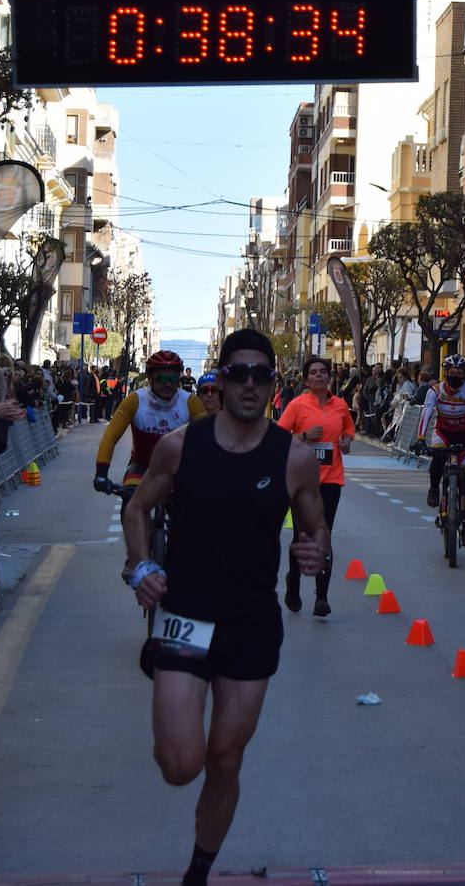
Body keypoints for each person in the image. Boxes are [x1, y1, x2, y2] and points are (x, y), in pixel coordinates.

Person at [121, 328, 328, 886]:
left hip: (251, 623)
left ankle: (199, 869)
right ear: (222, 375)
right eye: (239, 372)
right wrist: (141, 566)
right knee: (179, 766)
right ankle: (169, 699)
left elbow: (316, 528)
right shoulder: (182, 445)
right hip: (186, 612)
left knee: (226, 760)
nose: (250, 384)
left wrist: (313, 551)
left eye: (262, 375)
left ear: (273, 384)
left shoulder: (296, 458)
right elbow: (138, 509)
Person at [275, 357, 355, 617]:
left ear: (329, 377)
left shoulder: (340, 406)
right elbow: (277, 438)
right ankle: (294, 584)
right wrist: (304, 437)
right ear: (306, 379)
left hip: (331, 478)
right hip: (302, 481)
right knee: (302, 537)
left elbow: (349, 430)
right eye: (313, 373)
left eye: (323, 372)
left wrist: (345, 440)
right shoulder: (297, 405)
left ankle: (322, 597)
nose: (319, 376)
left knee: (324, 536)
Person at [93, 349, 208, 496]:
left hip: (179, 467)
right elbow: (111, 437)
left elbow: (206, 440)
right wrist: (101, 473)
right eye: (161, 378)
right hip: (142, 464)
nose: (168, 384)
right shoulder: (135, 400)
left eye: (173, 379)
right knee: (131, 503)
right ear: (150, 377)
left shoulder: (190, 401)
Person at [414, 354, 465, 548]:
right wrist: (421, 439)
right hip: (442, 433)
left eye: (459, 373)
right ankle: (434, 488)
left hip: (463, 436)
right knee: (439, 458)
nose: (455, 376)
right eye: (452, 373)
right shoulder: (435, 391)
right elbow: (426, 413)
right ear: (445, 373)